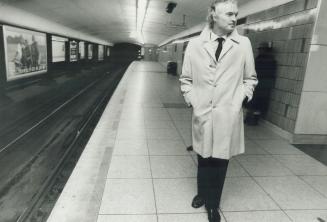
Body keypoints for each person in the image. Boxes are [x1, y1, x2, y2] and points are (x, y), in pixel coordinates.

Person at [179, 1, 258, 221]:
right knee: (203, 157)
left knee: (221, 162)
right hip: (203, 111)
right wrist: (193, 100)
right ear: (213, 15)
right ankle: (202, 194)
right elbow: (186, 79)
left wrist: (240, 99)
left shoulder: (243, 44)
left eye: (236, 14)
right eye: (230, 14)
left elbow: (250, 78)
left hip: (227, 114)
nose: (234, 18)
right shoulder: (195, 44)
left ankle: (213, 205)